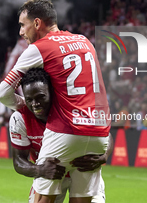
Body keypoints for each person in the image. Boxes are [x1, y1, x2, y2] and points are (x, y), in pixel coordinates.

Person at [0, 0, 111, 203]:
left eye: (23, 25)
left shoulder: (38, 48)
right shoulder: (85, 41)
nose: (21, 32)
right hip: (99, 132)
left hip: (66, 130)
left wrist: (24, 107)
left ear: (37, 23)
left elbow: (2, 93)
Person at [10, 68, 112, 203]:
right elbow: (18, 162)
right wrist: (40, 170)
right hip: (50, 175)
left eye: (41, 97)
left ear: (51, 92)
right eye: (29, 99)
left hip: (83, 170)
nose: (35, 104)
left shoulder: (70, 108)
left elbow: (106, 133)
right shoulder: (20, 118)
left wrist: (103, 157)